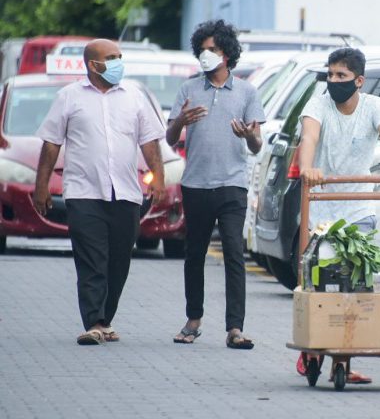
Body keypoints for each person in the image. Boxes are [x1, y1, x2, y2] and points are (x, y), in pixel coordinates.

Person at [34, 39, 167, 345]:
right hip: (84, 192)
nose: (118, 62)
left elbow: (150, 141)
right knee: (92, 260)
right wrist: (41, 187)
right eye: (111, 57)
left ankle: (105, 320)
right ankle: (93, 322)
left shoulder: (134, 96)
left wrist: (158, 178)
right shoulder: (69, 97)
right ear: (93, 65)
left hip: (126, 193)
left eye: (120, 56)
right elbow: (51, 143)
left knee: (119, 261)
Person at [297, 47, 380, 384]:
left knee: (355, 284)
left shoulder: (375, 107)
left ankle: (341, 360)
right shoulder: (318, 105)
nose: (334, 81)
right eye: (330, 75)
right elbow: (309, 136)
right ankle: (317, 345)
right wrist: (307, 167)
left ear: (359, 81)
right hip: (321, 210)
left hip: (358, 208)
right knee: (321, 282)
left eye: (341, 76)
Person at [167, 19, 264, 349]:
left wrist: (249, 135)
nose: (206, 55)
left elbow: (257, 145)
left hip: (232, 185)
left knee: (234, 253)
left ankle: (235, 327)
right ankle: (193, 320)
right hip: (195, 184)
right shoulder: (189, 89)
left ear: (227, 53)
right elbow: (170, 138)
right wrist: (181, 121)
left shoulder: (247, 92)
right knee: (194, 254)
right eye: (202, 50)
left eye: (213, 49)